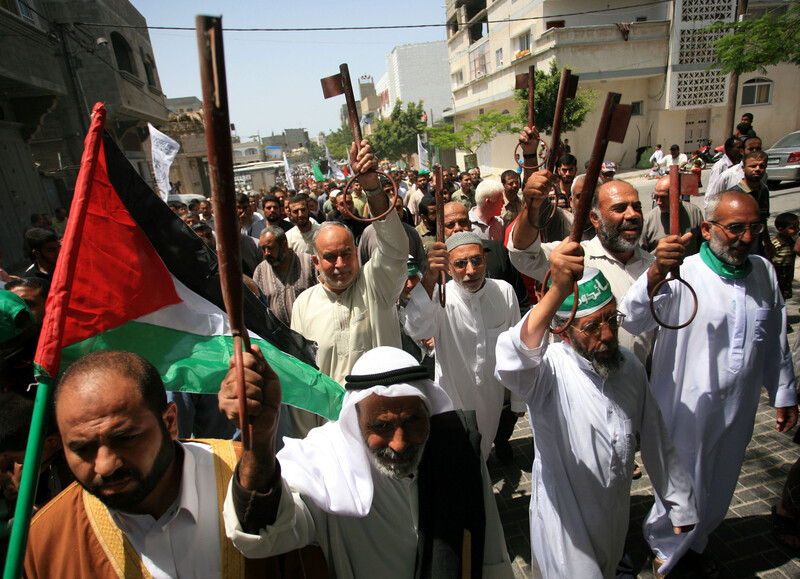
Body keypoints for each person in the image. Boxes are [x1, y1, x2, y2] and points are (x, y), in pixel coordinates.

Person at [619, 191, 798, 577]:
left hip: (741, 404)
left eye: (754, 227)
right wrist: (653, 275)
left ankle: (696, 544)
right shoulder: (683, 272)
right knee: (683, 482)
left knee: (722, 480)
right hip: (686, 407)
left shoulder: (764, 272)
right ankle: (667, 551)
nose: (745, 237)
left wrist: (784, 392)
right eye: (735, 228)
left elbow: (777, 336)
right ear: (708, 229)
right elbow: (632, 319)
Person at [220, 345, 514, 578]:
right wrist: (259, 444)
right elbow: (263, 536)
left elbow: (491, 554)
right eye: (381, 426)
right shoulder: (326, 459)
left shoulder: (456, 447)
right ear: (355, 419)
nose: (399, 443)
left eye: (413, 420)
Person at [23, 350, 322, 577]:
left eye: (125, 438)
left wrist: (261, 446)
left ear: (169, 422)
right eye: (82, 448)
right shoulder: (45, 543)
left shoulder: (257, 477)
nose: (104, 465)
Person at [495, 251, 697, 578]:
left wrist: (679, 501)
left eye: (611, 320)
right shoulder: (546, 374)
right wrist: (557, 291)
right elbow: (511, 357)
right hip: (564, 526)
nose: (606, 335)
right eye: (591, 327)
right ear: (563, 332)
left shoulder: (628, 366)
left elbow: (656, 435)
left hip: (614, 515)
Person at [508, 164, 655, 365]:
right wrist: (531, 206)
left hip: (637, 385)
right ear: (595, 218)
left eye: (636, 207)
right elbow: (524, 255)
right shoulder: (573, 257)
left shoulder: (654, 267)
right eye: (620, 209)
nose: (632, 215)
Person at [290, 140, 409, 388]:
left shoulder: (374, 283)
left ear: (357, 252)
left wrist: (373, 188)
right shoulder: (304, 304)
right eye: (330, 257)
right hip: (332, 422)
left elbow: (396, 249)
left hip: (383, 412)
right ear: (316, 262)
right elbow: (303, 376)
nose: (340, 264)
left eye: (346, 253)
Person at [404, 232, 522, 460]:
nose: (470, 270)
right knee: (457, 458)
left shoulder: (504, 291)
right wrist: (429, 275)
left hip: (492, 398)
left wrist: (518, 399)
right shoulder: (439, 297)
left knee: (483, 453)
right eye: (460, 263)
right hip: (452, 397)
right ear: (447, 268)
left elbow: (516, 349)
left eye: (476, 260)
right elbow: (417, 329)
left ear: (485, 260)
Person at [445, 202, 530, 315]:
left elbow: (521, 298)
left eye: (462, 222)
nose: (458, 228)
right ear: (448, 269)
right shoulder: (435, 266)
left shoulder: (497, 250)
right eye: (450, 225)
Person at [253, 226, 317, 326]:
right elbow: (258, 307)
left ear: (284, 245)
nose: (266, 253)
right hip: (278, 336)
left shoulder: (308, 263)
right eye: (263, 249)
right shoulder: (260, 271)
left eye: (270, 248)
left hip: (308, 330)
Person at [640, 175, 704, 255]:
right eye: (656, 197)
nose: (659, 202)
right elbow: (641, 254)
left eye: (663, 197)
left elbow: (702, 245)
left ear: (677, 195)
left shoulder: (694, 212)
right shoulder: (648, 220)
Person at [360, 195, 427, 271]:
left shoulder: (412, 233)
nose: (396, 212)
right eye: (391, 208)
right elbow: (361, 265)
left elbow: (421, 265)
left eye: (399, 208)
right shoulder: (369, 233)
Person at [731, 151, 772, 257]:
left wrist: (767, 243)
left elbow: (763, 221)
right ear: (743, 168)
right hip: (740, 250)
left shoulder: (764, 191)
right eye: (753, 166)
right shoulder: (734, 194)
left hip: (758, 250)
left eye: (762, 166)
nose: (758, 169)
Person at [769, 212, 799, 299]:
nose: (797, 230)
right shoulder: (774, 244)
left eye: (797, 227)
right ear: (780, 229)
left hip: (787, 278)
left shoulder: (792, 242)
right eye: (793, 228)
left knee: (783, 299)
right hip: (776, 278)